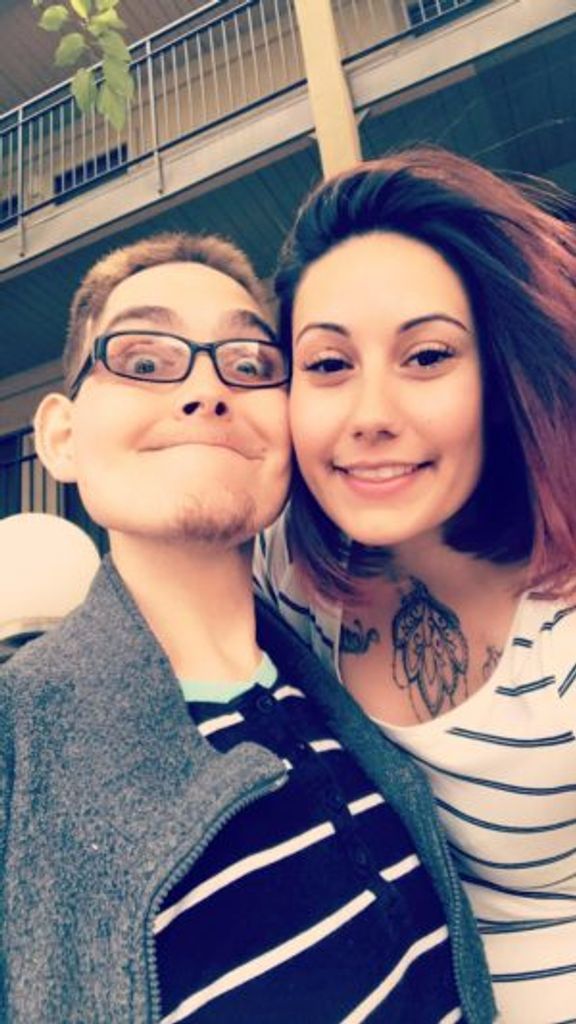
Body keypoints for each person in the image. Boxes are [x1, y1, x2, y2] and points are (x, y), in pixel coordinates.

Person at [0, 232, 493, 1023]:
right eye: (145, 359)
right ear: (61, 437)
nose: (207, 391)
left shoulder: (352, 676)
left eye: (251, 365)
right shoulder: (18, 741)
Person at [254, 147, 576, 1023]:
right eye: (328, 365)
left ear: (500, 375)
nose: (371, 416)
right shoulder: (284, 576)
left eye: (427, 356)